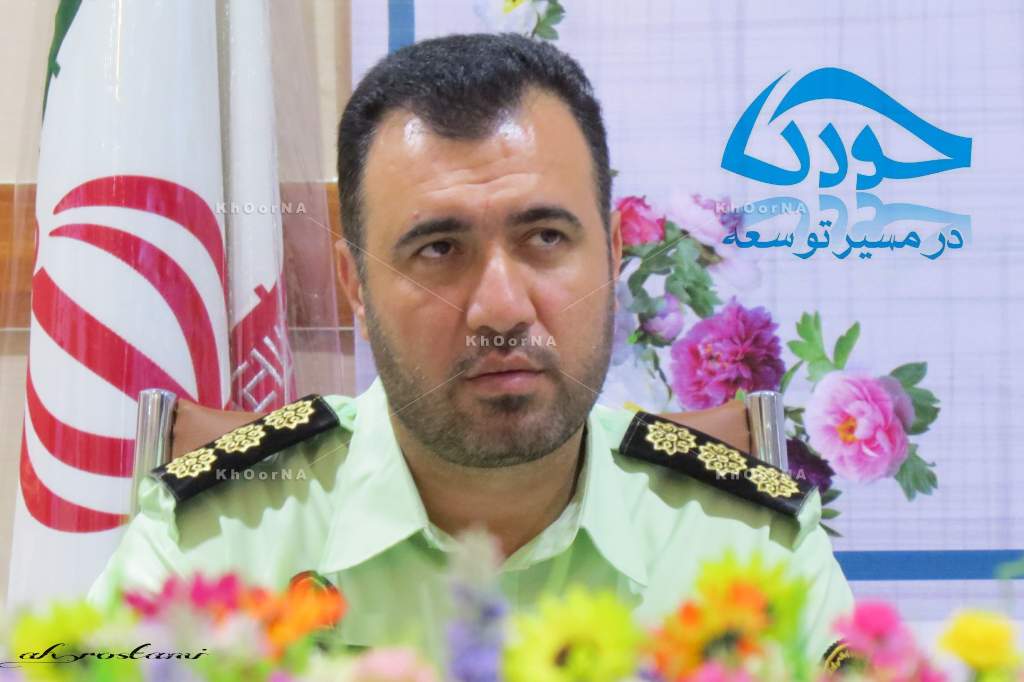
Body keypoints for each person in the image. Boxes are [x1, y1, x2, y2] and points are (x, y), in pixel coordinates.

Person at [89, 33, 853, 666]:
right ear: (356, 286)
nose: (501, 308)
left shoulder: (749, 543)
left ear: (613, 255)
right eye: (439, 249)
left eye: (545, 238)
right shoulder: (216, 545)